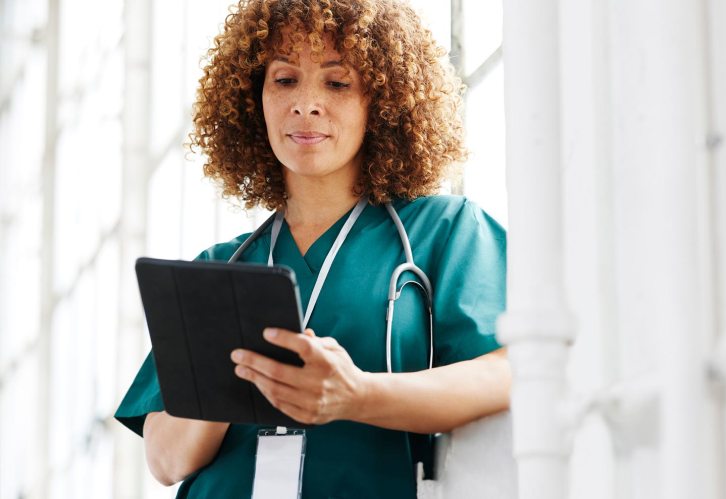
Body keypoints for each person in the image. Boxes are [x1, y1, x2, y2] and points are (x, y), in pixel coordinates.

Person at [114, 0, 510, 497]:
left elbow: (510, 371)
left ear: (382, 102)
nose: (306, 103)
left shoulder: (444, 231)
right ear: (251, 98)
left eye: (337, 82)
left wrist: (356, 395)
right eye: (283, 80)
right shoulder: (220, 268)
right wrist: (230, 376)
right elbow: (166, 459)